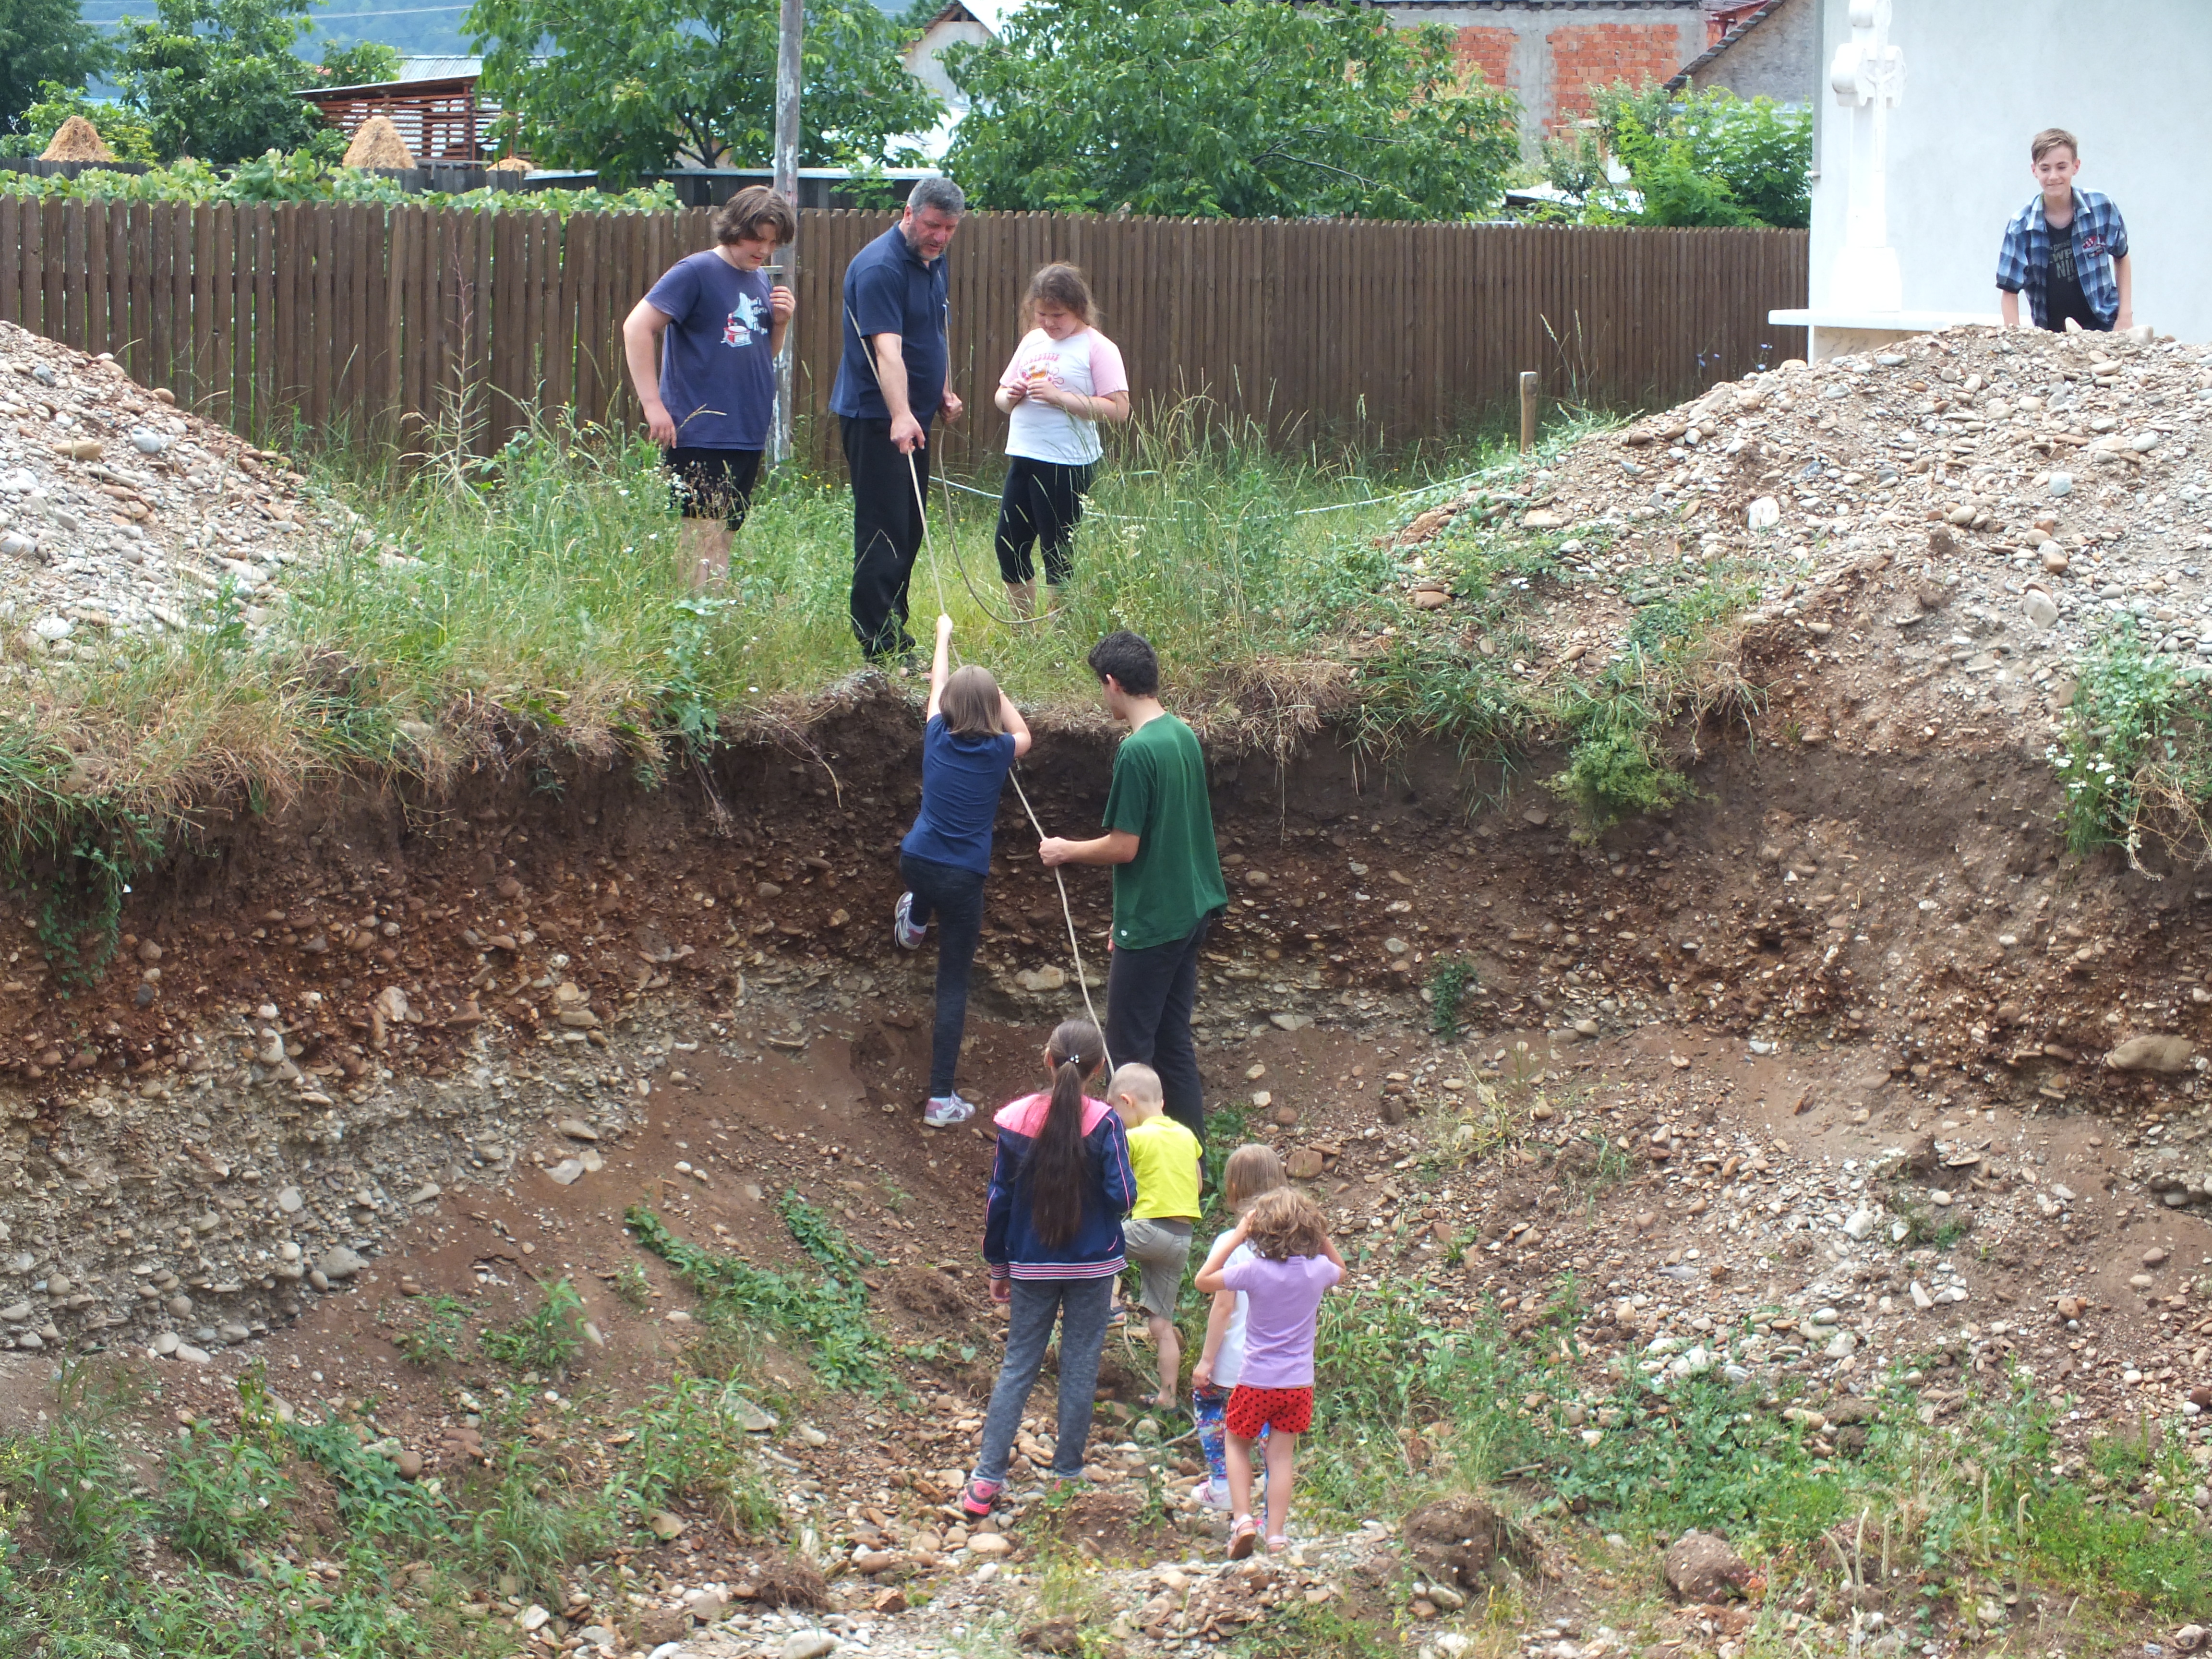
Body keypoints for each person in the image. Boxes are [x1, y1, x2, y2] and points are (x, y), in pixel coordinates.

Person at [1038, 631, 1227, 1146]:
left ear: (1113, 683)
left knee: (1126, 1051)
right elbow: (1173, 839)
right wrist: (1125, 915)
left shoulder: (1137, 752)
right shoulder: (1181, 735)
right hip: (1189, 913)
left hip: (1157, 925)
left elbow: (1126, 847)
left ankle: (1128, 1169)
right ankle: (1190, 1164)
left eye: (1102, 688)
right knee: (1171, 1043)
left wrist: (1064, 850)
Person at [965, 1019, 1136, 1518]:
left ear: (1048, 1060)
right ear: (1100, 1069)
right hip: (1093, 1267)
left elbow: (999, 1200)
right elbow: (1123, 1197)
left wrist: (998, 1266)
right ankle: (1065, 1477)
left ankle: (985, 1481)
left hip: (1030, 1265)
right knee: (1079, 1367)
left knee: (1018, 1365)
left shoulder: (1015, 1121)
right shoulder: (1106, 1123)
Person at [621, 186, 797, 589]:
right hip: (702, 431)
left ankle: (713, 631)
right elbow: (637, 327)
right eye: (758, 238)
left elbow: (757, 354)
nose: (765, 250)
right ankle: (693, 634)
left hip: (746, 432)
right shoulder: (695, 271)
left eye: (773, 242)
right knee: (700, 538)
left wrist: (781, 323)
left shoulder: (755, 280)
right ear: (734, 228)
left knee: (724, 538)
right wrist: (654, 405)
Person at [895, 613, 1032, 1128]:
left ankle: (912, 925)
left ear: (948, 706)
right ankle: (940, 1099)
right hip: (961, 878)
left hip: (916, 861)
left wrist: (943, 637)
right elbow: (1026, 733)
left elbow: (937, 691)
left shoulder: (935, 736)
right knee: (953, 984)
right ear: (991, 709)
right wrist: (996, 697)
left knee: (924, 878)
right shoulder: (999, 751)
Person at [832, 177, 968, 662]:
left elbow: (935, 330)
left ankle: (894, 632)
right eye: (933, 225)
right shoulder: (880, 268)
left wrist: (943, 391)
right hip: (877, 418)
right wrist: (902, 414)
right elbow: (887, 351)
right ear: (908, 214)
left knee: (909, 529)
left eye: (950, 228)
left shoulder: (934, 262)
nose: (940, 236)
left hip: (912, 417)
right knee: (884, 531)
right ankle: (878, 645)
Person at [1193, 1186, 1344, 1558]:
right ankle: (1276, 1536)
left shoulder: (1254, 1271)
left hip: (1256, 1381)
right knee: (1280, 1459)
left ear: (1259, 1231)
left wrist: (1236, 1237)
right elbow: (1341, 1268)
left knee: (1236, 1443)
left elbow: (1203, 1280)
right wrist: (1321, 1236)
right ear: (1311, 1231)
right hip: (1298, 1385)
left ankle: (1243, 1519)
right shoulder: (1317, 1272)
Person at [991, 263, 1130, 617]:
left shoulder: (1098, 348)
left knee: (1057, 554)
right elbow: (1001, 399)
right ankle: (1024, 635)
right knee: (1009, 546)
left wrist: (1060, 398)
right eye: (1042, 315)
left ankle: (1061, 635)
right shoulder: (1032, 341)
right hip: (1023, 455)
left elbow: (1119, 410)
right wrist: (1013, 395)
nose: (1049, 323)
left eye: (1058, 315)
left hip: (1066, 465)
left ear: (1079, 309)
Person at [1189, 1142, 1286, 1512]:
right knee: (1267, 1419)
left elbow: (1224, 1306)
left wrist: (1205, 1360)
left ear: (1233, 1190)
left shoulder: (1231, 1246)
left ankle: (1223, 1484)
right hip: (1277, 1362)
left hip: (1233, 1360)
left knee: (1211, 1403)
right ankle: (1267, 1485)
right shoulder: (1294, 1246)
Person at [1110, 1060, 1201, 1410]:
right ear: (1162, 1103)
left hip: (1150, 1228)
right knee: (1161, 1324)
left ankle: (1110, 1306)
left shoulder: (1133, 1137)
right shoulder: (1186, 1135)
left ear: (1126, 1101)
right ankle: (1168, 1397)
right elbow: (1197, 1182)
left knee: (1095, 1243)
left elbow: (1113, 1179)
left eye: (1118, 1112)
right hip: (1181, 1238)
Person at [1996, 127, 2132, 336]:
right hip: (2053, 336)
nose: (2053, 176)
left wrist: (2125, 316)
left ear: (2076, 167)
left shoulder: (2102, 207)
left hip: (2106, 326)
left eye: (2061, 167)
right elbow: (2009, 290)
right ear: (2034, 170)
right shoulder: (2021, 226)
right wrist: (2016, 342)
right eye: (2045, 169)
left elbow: (2122, 257)